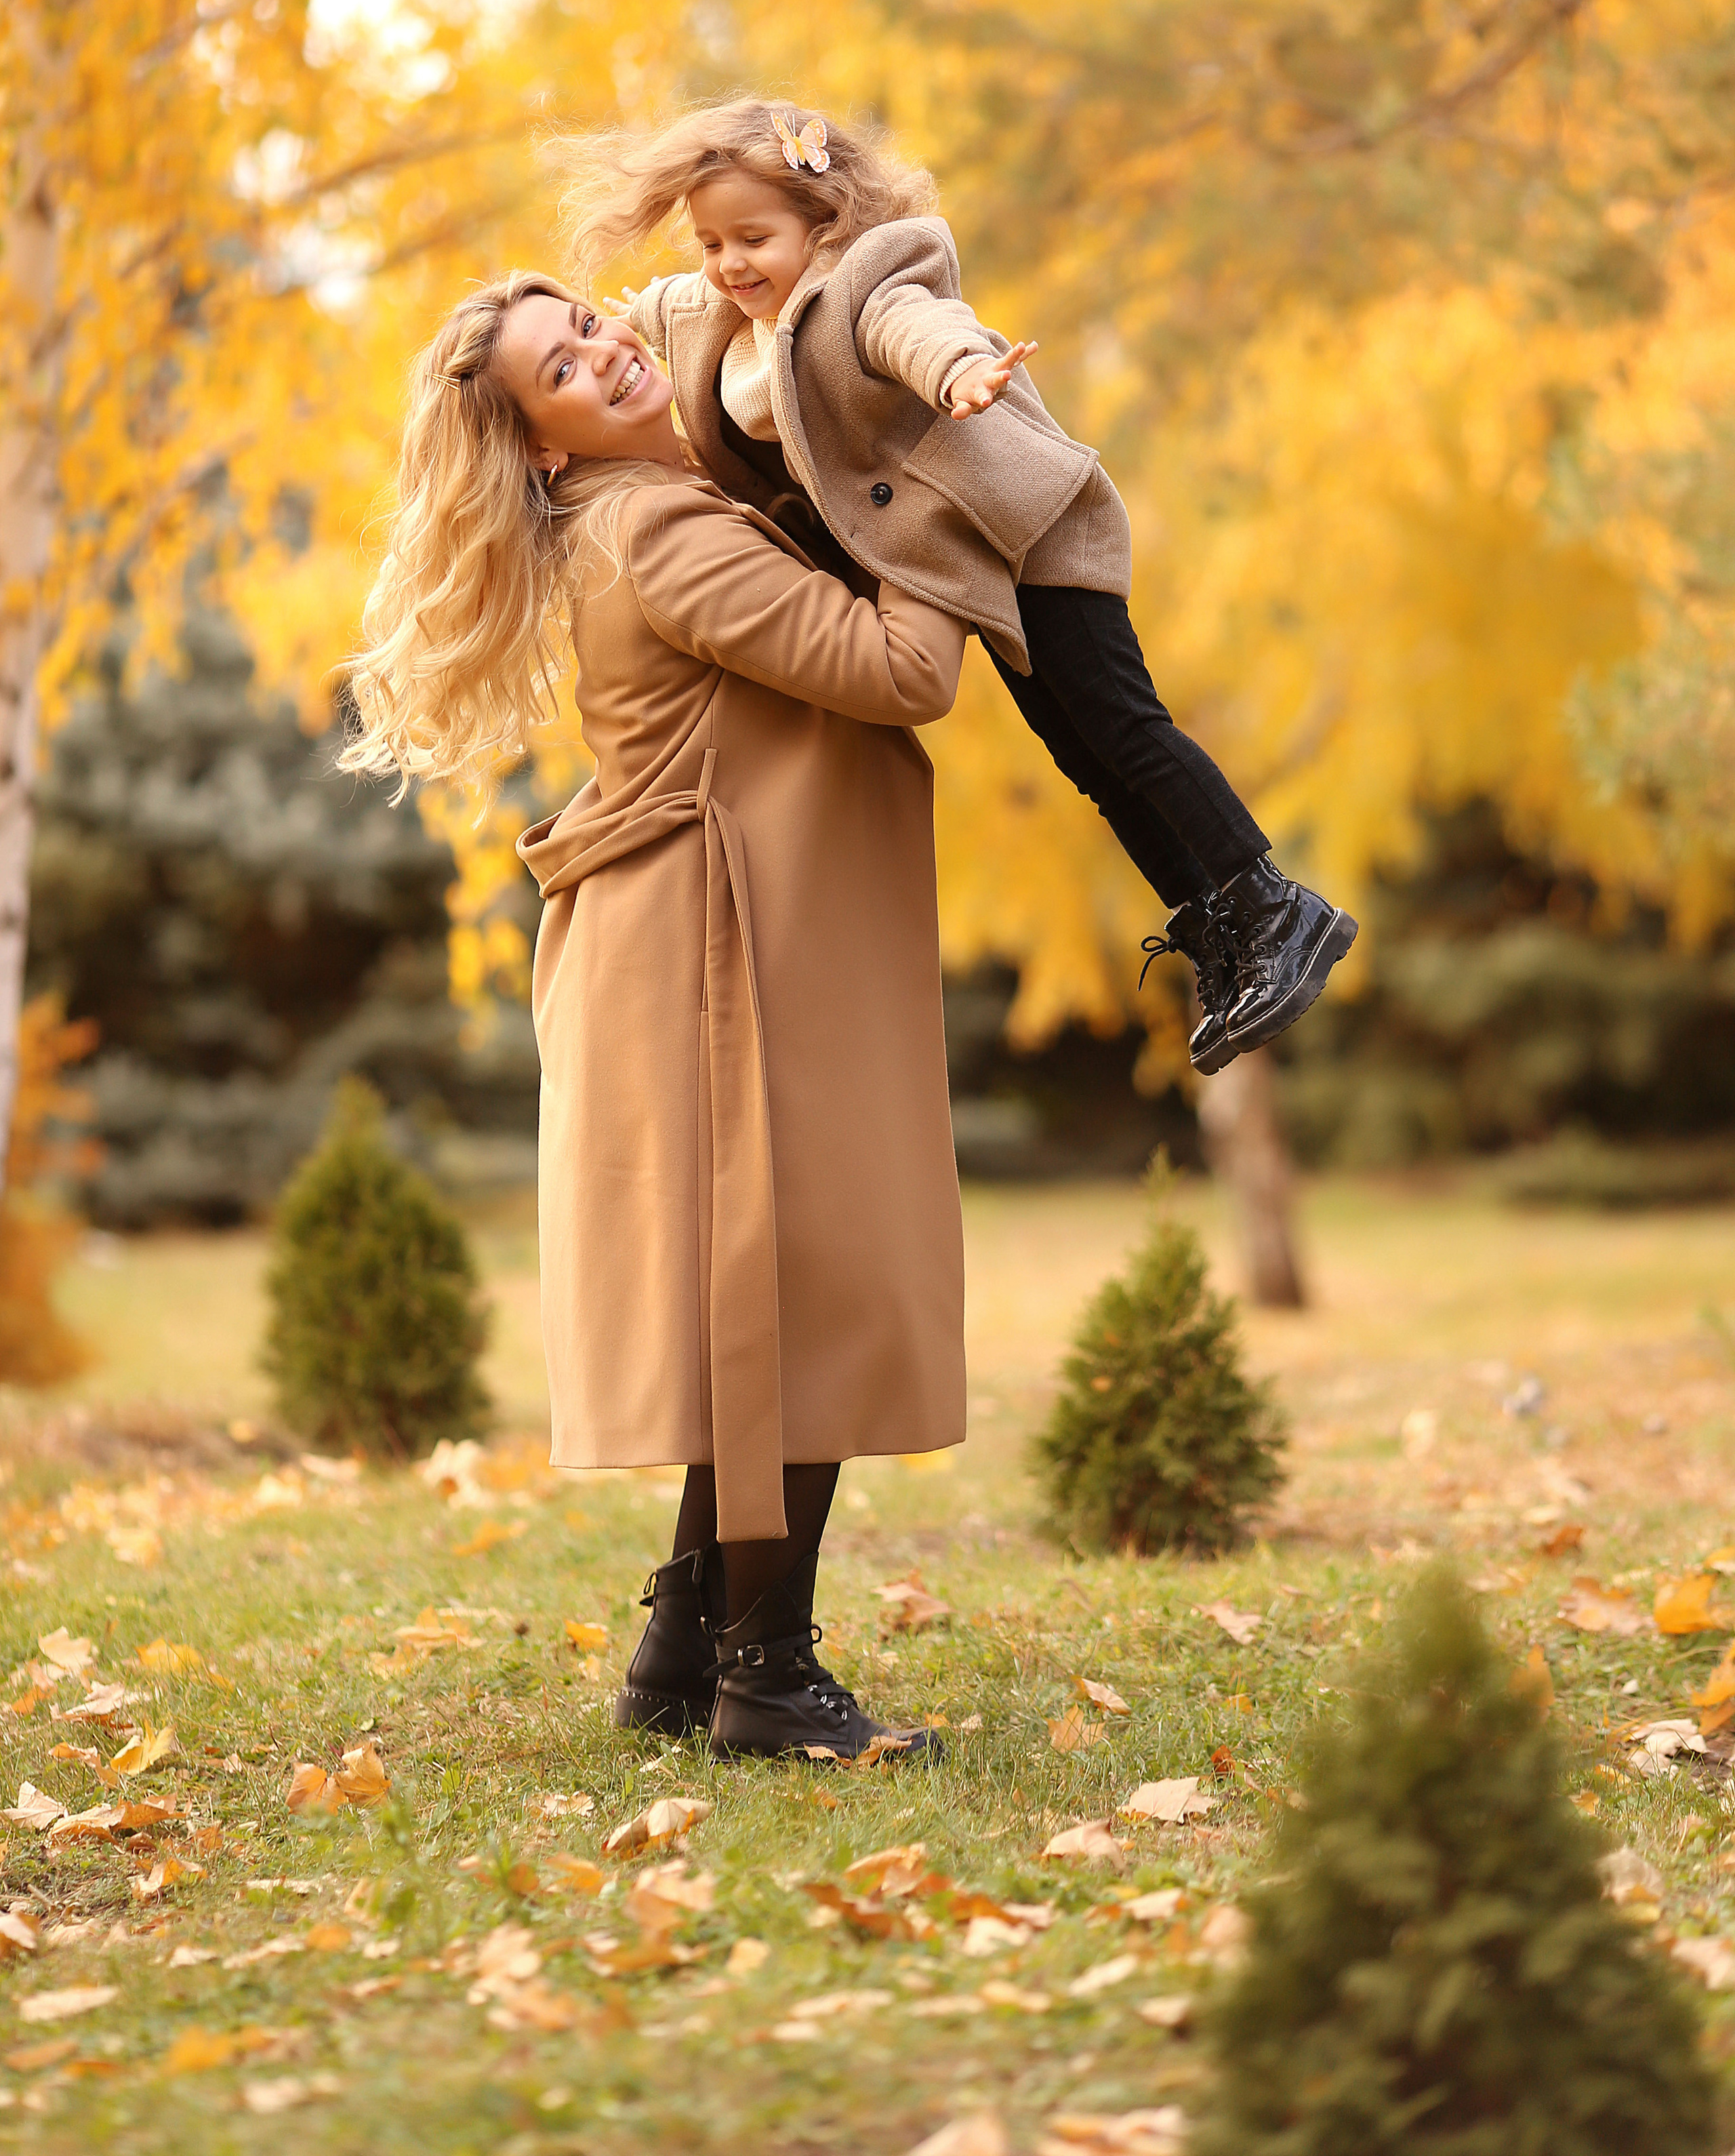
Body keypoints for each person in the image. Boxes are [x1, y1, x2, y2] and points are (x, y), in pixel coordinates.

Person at [340, 270, 966, 1762]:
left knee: (762, 1294)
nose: (610, 355)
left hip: (706, 936)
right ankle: (768, 1674)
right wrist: (939, 505)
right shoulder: (660, 529)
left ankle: (684, 1650)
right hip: (718, 950)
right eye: (568, 366)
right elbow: (901, 672)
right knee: (789, 1293)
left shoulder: (635, 514)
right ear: (546, 445)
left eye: (597, 327)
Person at [556, 98, 1356, 1074]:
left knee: (1123, 727)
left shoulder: (866, 283)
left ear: (823, 223)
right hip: (962, 558)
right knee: (1085, 761)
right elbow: (621, 321)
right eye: (712, 241)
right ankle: (1217, 929)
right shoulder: (711, 319)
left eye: (754, 239)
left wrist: (962, 376)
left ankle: (1272, 901)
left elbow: (919, 330)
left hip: (1029, 531)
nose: (731, 263)